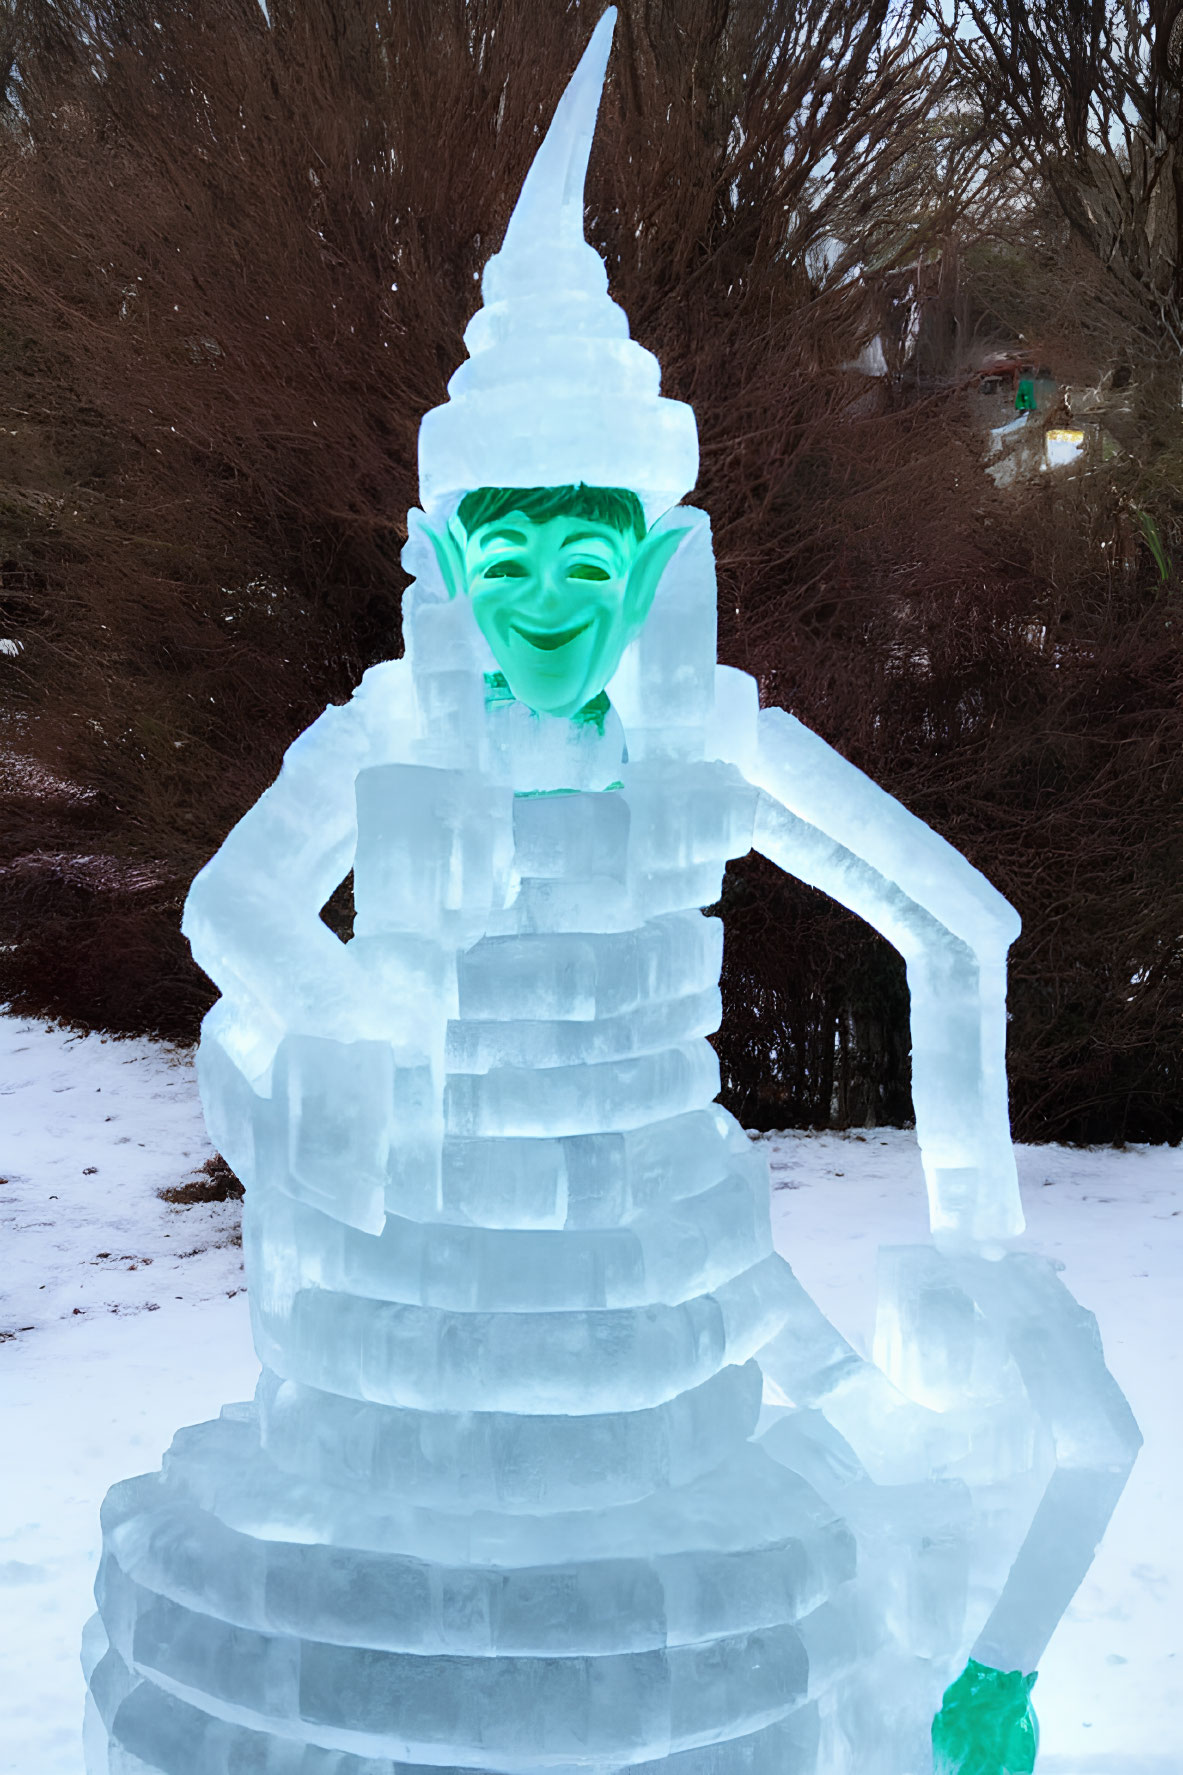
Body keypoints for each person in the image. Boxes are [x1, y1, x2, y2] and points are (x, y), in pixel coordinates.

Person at [84, 15, 1139, 1774]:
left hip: (663, 1274)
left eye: (590, 560)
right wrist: (351, 1029)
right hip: (406, 1292)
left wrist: (982, 1239)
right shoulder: (388, 732)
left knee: (839, 1509)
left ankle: (960, 1681)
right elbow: (231, 910)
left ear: (657, 562)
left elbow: (960, 928)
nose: (549, 604)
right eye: (506, 560)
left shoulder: (706, 745)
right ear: (441, 564)